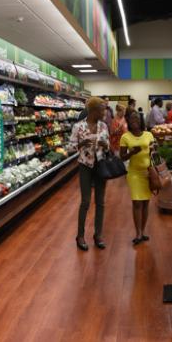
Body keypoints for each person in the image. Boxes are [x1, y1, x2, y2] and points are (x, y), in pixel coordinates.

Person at [69, 97, 109, 251]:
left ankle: (98, 235)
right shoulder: (78, 127)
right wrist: (82, 144)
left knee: (100, 202)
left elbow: (108, 146)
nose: (104, 112)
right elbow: (71, 147)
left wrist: (105, 145)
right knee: (85, 201)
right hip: (85, 166)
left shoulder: (103, 126)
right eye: (102, 109)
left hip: (100, 165)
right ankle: (80, 236)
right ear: (93, 111)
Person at [120, 111, 156, 245]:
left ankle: (143, 230)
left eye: (136, 118)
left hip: (148, 172)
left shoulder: (149, 135)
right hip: (134, 173)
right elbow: (122, 157)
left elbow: (154, 153)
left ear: (141, 120)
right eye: (131, 119)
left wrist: (154, 149)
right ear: (128, 121)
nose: (134, 121)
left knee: (146, 203)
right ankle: (138, 233)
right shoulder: (125, 137)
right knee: (137, 202)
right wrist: (132, 152)